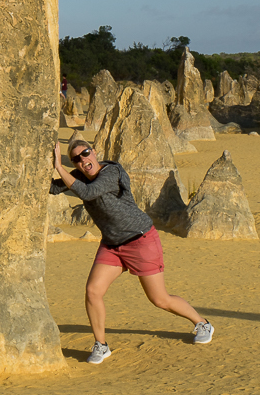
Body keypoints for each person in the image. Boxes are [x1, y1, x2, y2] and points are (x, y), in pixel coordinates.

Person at [51, 139, 213, 364]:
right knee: (93, 291)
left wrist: (59, 167)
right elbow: (51, 187)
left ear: (94, 152)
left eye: (85, 153)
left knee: (159, 299)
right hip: (112, 244)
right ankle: (101, 345)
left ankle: (202, 323)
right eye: (76, 159)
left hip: (140, 240)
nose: (82, 160)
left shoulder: (112, 172)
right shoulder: (77, 178)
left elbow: (90, 193)